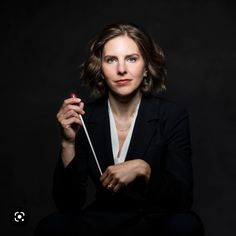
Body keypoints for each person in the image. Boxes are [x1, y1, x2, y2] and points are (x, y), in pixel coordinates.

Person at [34, 22, 204, 236]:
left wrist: (145, 169)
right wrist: (67, 143)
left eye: (131, 59)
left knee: (186, 224)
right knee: (53, 227)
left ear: (146, 68)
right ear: (100, 69)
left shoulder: (171, 115)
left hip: (153, 221)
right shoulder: (86, 117)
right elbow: (68, 205)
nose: (121, 69)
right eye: (111, 60)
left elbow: (182, 199)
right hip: (102, 221)